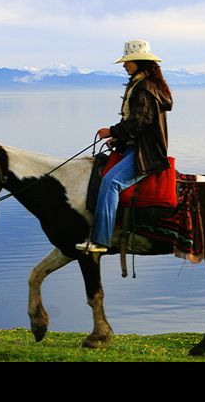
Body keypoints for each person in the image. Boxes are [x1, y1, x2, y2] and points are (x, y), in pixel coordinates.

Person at [76, 39, 173, 252]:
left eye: (127, 61)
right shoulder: (143, 84)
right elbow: (138, 123)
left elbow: (141, 120)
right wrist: (119, 139)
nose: (124, 65)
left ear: (139, 61)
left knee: (111, 183)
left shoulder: (144, 87)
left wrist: (112, 131)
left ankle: (101, 240)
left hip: (146, 153)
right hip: (135, 147)